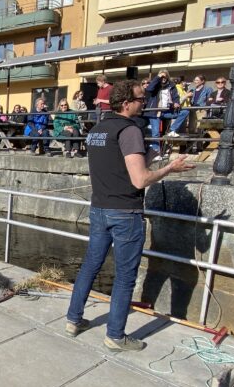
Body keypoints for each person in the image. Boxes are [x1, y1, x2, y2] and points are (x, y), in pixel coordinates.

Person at [65, 80, 195, 351]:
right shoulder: (130, 130)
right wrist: (169, 168)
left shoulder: (98, 130)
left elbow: (116, 167)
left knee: (91, 265)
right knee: (125, 276)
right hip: (125, 211)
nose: (144, 103)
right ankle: (115, 336)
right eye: (139, 99)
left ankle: (73, 320)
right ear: (126, 104)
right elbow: (139, 180)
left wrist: (148, 156)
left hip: (99, 208)